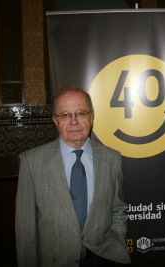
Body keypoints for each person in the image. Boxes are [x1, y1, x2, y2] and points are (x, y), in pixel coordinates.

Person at [15, 85, 131, 267]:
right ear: (55, 120)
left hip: (102, 258)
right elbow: (26, 227)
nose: (74, 121)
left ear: (91, 118)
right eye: (65, 114)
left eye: (80, 113)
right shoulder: (32, 162)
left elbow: (117, 209)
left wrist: (115, 241)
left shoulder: (112, 159)